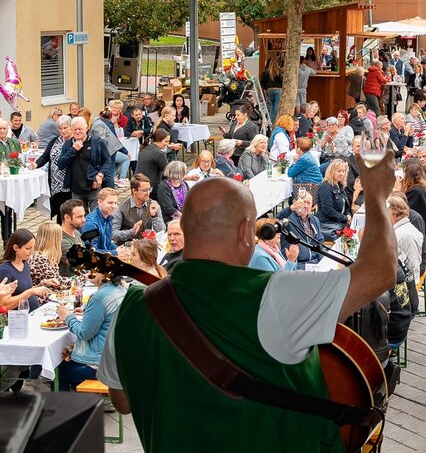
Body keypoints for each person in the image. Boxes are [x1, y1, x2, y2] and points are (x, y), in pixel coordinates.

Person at [95, 165, 396, 448]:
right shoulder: (275, 294)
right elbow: (380, 271)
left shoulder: (130, 308)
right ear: (244, 232)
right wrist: (376, 193)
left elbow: (122, 402)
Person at [55, 269, 126, 391]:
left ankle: (64, 408)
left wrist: (67, 316)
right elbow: (107, 317)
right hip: (116, 356)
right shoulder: (120, 289)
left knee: (56, 372)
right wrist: (88, 312)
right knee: (65, 359)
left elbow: (84, 333)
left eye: (95, 269)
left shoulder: (100, 297)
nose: (89, 272)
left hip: (97, 362)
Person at [57, 117, 113, 210]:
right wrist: (73, 150)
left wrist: (100, 174)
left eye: (80, 129)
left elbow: (107, 160)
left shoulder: (97, 142)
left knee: (96, 216)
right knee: (80, 219)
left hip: (93, 186)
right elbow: (61, 165)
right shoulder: (68, 144)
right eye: (75, 129)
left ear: (86, 129)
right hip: (76, 188)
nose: (77, 131)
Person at [0, 229, 52, 312]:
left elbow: (24, 289)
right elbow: (5, 305)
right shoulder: (5, 270)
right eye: (28, 248)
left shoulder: (24, 263)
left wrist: (42, 285)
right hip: (18, 319)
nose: (32, 252)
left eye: (33, 248)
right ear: (16, 248)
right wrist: (30, 292)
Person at [36, 115, 75, 222]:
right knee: (58, 210)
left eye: (65, 128)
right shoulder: (55, 141)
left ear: (71, 127)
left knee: (67, 212)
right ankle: (59, 233)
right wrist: (36, 164)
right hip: (55, 183)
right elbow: (45, 156)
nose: (62, 131)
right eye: (60, 128)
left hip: (69, 182)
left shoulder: (75, 141)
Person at [112, 173, 166, 244]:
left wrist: (154, 216)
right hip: (127, 246)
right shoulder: (122, 207)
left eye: (149, 189)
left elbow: (162, 231)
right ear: (134, 191)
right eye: (144, 190)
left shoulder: (153, 204)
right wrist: (131, 232)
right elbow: (113, 234)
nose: (148, 193)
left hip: (146, 246)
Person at [28, 220, 69, 303]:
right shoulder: (39, 259)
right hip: (40, 301)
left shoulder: (49, 257)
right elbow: (58, 283)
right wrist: (84, 278)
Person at [388, 193, 424, 278]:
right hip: (412, 276)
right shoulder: (409, 228)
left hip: (404, 282)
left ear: (394, 213)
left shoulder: (398, 234)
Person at [80, 188, 121, 255]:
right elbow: (92, 251)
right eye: (110, 203)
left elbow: (107, 243)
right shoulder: (91, 224)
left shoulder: (109, 218)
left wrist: (119, 249)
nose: (114, 206)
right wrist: (116, 252)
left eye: (116, 203)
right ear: (100, 202)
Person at [316, 159, 351, 239]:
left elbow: (345, 206)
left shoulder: (340, 185)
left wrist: (348, 214)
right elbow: (328, 210)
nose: (341, 174)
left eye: (343, 171)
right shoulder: (325, 187)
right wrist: (345, 218)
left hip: (338, 221)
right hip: (327, 223)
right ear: (332, 171)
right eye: (339, 171)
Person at [137, 130, 171, 200]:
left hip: (137, 183)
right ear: (159, 140)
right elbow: (168, 173)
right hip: (151, 188)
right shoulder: (159, 154)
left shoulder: (144, 148)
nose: (168, 144)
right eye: (166, 141)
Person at [59, 199, 86, 276]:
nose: (84, 220)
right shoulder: (61, 240)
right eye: (79, 217)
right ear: (67, 217)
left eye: (83, 216)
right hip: (70, 282)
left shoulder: (77, 233)